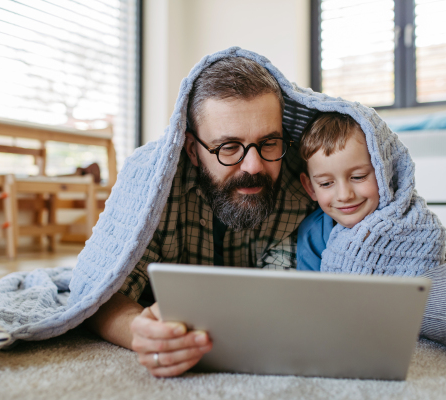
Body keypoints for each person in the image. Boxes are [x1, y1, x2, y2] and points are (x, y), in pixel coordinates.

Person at [86, 57, 316, 377]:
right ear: (193, 150)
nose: (253, 166)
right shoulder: (154, 185)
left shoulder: (308, 183)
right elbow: (102, 290)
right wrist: (137, 330)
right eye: (229, 147)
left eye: (269, 142)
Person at [297, 112, 380, 271]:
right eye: (326, 183)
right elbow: (309, 293)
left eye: (358, 177)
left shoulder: (413, 222)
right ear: (310, 188)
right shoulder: (312, 233)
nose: (344, 195)